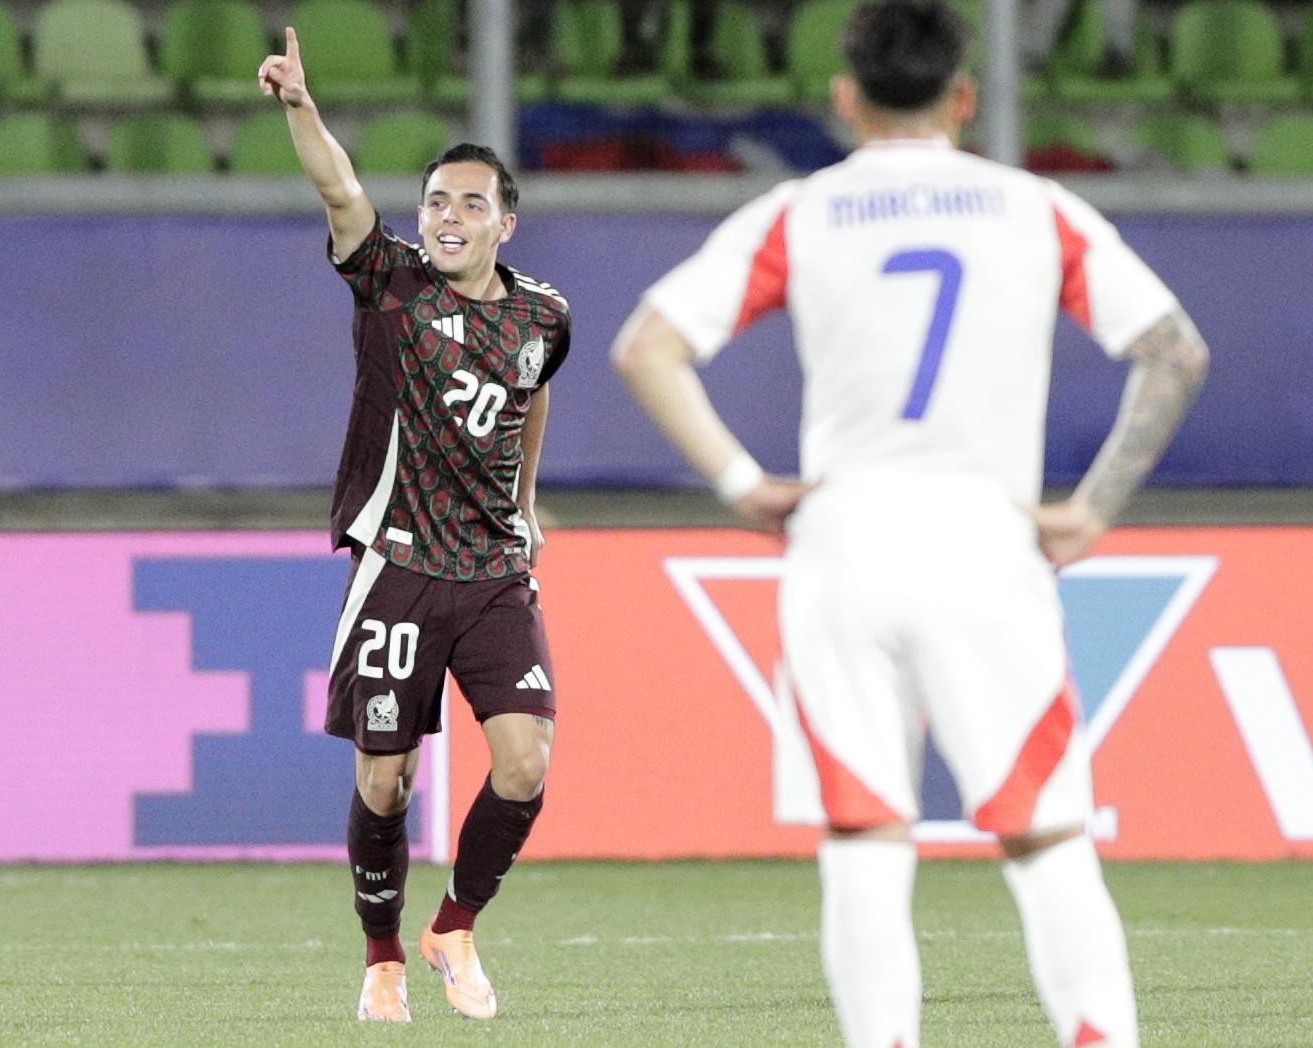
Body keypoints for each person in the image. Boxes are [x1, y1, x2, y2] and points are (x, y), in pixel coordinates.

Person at [610, 2, 1207, 1046]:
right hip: (983, 537)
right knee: (1045, 832)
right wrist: (1090, 510)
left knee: (864, 836)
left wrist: (744, 482)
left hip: (844, 539)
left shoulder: (801, 213)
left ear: (844, 98)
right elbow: (1173, 351)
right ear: (963, 98)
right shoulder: (1032, 209)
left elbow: (646, 346)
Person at [258, 27, 571, 1025]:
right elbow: (341, 194)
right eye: (436, 199)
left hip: (489, 571)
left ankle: (455, 925)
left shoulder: (544, 318)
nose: (447, 216)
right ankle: (382, 957)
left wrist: (525, 502)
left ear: (504, 225)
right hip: (394, 564)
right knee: (385, 783)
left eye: (470, 203)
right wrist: (302, 109)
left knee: (525, 761)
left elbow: (532, 394)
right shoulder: (390, 285)